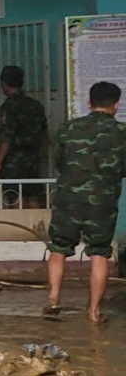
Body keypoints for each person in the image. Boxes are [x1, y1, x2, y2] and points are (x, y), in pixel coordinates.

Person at [44, 81, 126, 323]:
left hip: (68, 198)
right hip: (102, 201)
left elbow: (58, 162)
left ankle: (54, 298)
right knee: (99, 254)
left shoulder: (68, 128)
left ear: (89, 103)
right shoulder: (122, 132)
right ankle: (93, 312)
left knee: (59, 249)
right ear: (116, 105)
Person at [0, 65, 49, 182]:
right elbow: (44, 131)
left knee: (14, 196)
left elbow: (6, 137)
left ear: (4, 83)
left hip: (14, 161)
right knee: (33, 195)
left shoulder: (8, 106)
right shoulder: (36, 105)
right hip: (34, 159)